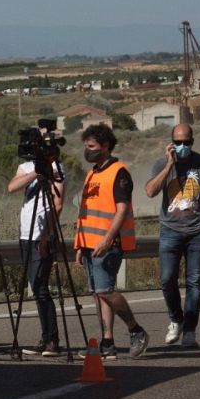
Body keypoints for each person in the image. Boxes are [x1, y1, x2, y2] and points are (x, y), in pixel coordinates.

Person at [144, 122, 200, 349]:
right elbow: (149, 191)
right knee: (167, 279)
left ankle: (189, 330)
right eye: (177, 143)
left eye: (186, 142)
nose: (182, 146)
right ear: (171, 143)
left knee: (194, 282)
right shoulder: (162, 164)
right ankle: (176, 320)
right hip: (170, 230)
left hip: (197, 230)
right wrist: (169, 165)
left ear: (192, 142)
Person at [73, 124, 148, 360]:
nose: (88, 150)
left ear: (106, 146)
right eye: (86, 146)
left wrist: (107, 239)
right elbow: (87, 212)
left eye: (92, 146)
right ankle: (107, 343)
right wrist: (79, 244)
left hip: (108, 244)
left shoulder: (119, 172)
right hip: (89, 244)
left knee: (106, 290)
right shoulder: (92, 174)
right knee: (98, 293)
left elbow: (122, 210)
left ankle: (136, 330)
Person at [7, 151, 65, 357]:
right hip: (25, 234)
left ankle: (52, 339)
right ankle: (46, 336)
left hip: (43, 235)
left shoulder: (56, 168)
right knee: (36, 286)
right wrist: (35, 174)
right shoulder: (26, 168)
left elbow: (58, 204)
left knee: (41, 287)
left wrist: (45, 235)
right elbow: (12, 187)